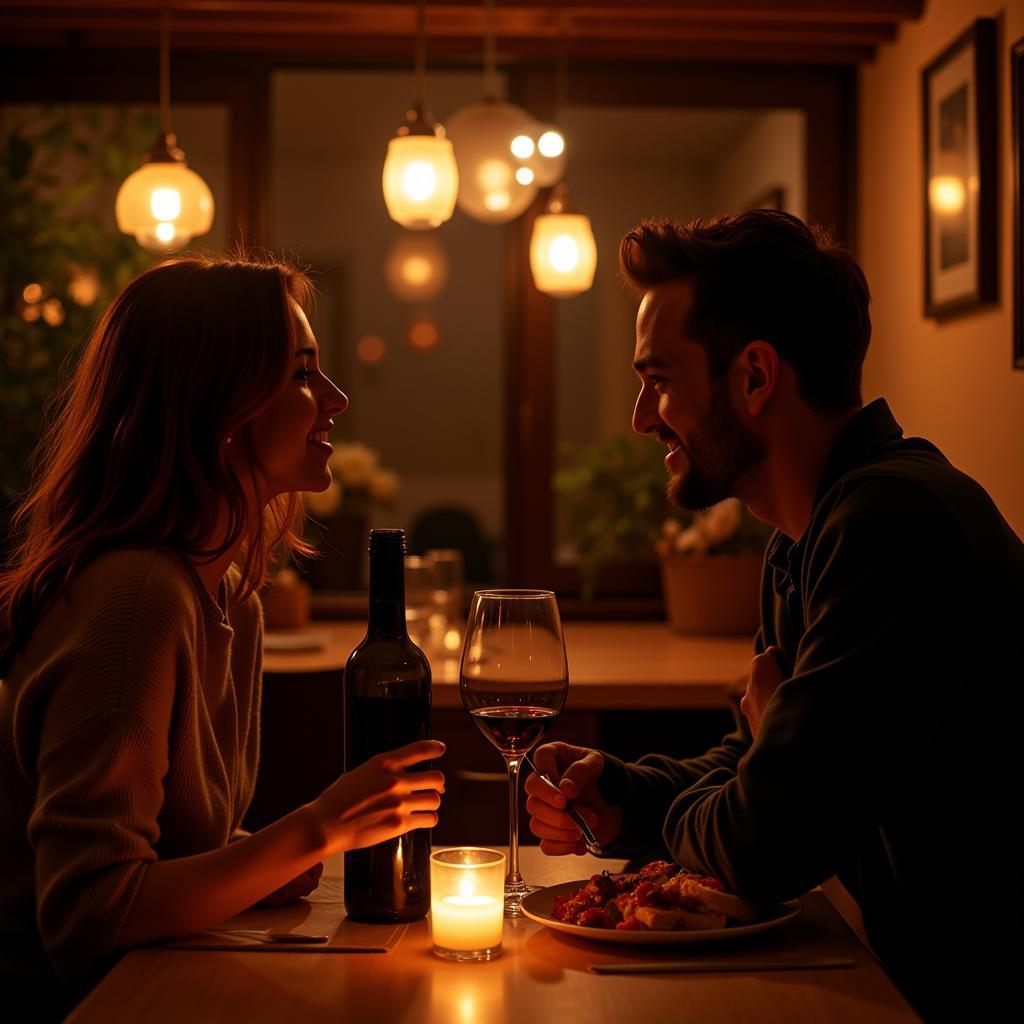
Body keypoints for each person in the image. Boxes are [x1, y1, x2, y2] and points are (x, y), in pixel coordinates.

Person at [525, 211, 1022, 1021]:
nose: (642, 418)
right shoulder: (811, 534)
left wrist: (732, 782)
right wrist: (627, 795)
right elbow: (761, 759)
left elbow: (765, 839)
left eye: (658, 379)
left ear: (754, 376)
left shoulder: (891, 524)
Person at [0, 254, 445, 1018]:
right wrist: (317, 828)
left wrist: (255, 858)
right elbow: (86, 915)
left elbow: (164, 849)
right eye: (303, 373)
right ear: (218, 404)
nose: (334, 400)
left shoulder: (230, 600)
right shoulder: (136, 599)